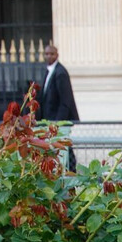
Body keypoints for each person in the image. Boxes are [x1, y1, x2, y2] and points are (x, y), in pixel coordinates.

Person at [38, 42, 79, 170]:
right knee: (61, 148)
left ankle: (71, 172)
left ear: (57, 55)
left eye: (51, 54)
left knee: (64, 147)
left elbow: (65, 101)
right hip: (49, 119)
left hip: (57, 120)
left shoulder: (61, 72)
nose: (49, 56)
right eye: (46, 54)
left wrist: (58, 122)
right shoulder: (49, 71)